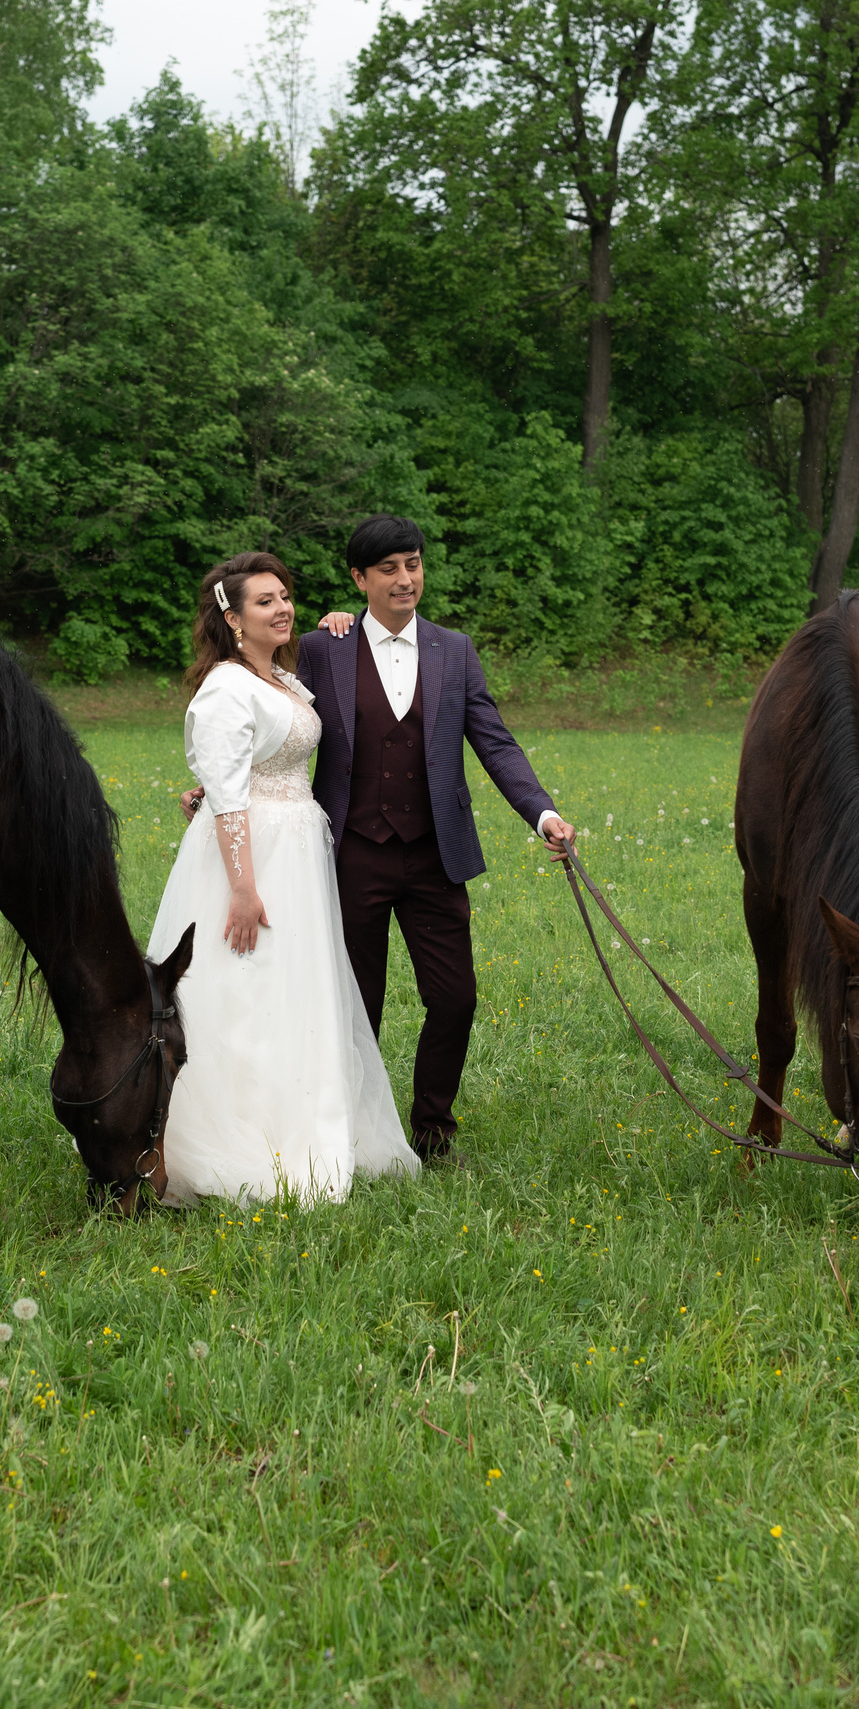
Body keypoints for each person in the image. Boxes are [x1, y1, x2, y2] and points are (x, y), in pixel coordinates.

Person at [188, 516, 577, 1161]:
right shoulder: (320, 648)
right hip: (350, 854)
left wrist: (542, 814)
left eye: (414, 564)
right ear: (359, 579)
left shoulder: (456, 651)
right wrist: (212, 791)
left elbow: (494, 741)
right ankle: (351, 1132)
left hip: (435, 852)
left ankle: (431, 1125)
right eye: (389, 568)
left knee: (455, 1000)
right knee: (351, 1003)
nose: (405, 579)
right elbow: (261, 718)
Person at [143, 553, 419, 1205]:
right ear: (232, 618)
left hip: (298, 851)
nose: (282, 608)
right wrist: (242, 886)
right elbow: (229, 792)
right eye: (264, 601)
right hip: (251, 858)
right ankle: (236, 1133)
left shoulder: (283, 678)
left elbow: (256, 757)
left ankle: (303, 1115)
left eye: (285, 596)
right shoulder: (225, 687)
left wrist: (338, 624)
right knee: (242, 985)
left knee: (296, 987)